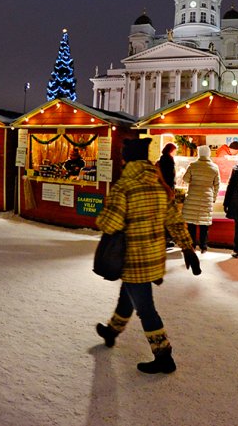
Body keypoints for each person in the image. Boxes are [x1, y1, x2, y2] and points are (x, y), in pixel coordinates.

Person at [94, 138, 201, 375]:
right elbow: (174, 221)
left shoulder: (124, 187)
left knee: (146, 309)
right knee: (128, 296)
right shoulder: (158, 185)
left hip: (133, 260)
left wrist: (105, 212)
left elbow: (109, 224)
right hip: (153, 258)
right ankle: (112, 332)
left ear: (127, 159)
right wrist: (188, 248)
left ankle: (164, 356)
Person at [182, 145, 220, 253]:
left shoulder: (193, 165)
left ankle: (192, 245)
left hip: (193, 197)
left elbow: (185, 179)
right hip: (206, 198)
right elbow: (217, 185)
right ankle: (203, 246)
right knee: (204, 224)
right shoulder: (214, 167)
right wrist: (214, 197)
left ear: (199, 153)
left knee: (191, 224)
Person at [156, 143, 178, 248]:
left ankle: (164, 238)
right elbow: (169, 177)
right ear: (171, 150)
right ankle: (167, 238)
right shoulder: (169, 161)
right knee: (168, 215)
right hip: (167, 190)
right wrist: (170, 189)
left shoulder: (161, 160)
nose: (175, 153)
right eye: (175, 150)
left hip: (161, 190)